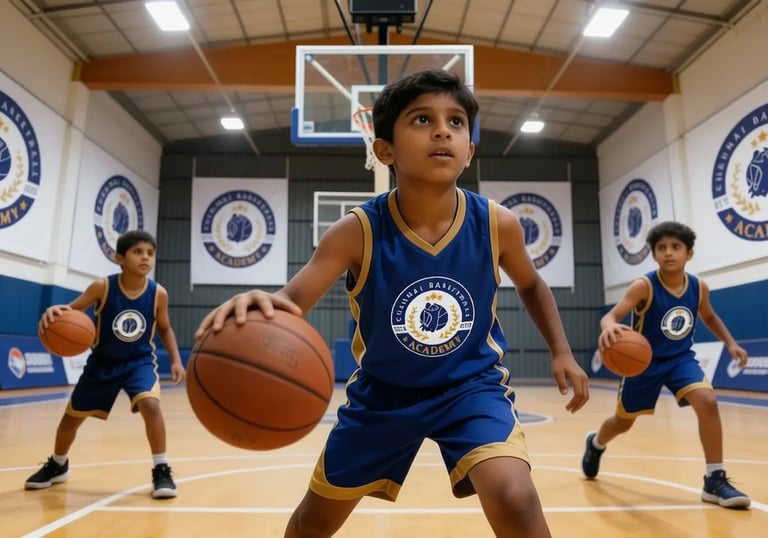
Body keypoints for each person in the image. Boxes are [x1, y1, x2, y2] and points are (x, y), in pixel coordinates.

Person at [196, 68, 589, 537]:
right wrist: (261, 301)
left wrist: (561, 351)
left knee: (516, 497)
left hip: (471, 387)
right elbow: (290, 303)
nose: (443, 129)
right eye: (421, 120)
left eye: (456, 122)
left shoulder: (496, 224)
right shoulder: (355, 232)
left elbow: (531, 284)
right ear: (385, 150)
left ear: (469, 152)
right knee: (311, 524)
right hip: (382, 395)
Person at [582, 221, 750, 509]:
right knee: (623, 423)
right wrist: (608, 327)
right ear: (654, 254)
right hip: (642, 364)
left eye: (676, 247)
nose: (669, 253)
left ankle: (714, 479)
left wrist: (731, 343)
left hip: (680, 359)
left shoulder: (698, 288)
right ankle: (596, 443)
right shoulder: (644, 286)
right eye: (662, 248)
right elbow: (612, 316)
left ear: (689, 254)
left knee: (707, 401)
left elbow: (709, 317)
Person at [26, 229, 186, 499]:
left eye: (150, 253)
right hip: (102, 363)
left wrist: (176, 361)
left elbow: (166, 329)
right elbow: (71, 311)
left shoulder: (159, 293)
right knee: (71, 420)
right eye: (138, 252)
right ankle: (58, 464)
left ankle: (162, 469)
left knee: (151, 404)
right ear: (119, 258)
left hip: (139, 362)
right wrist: (53, 310)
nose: (145, 258)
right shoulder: (103, 286)